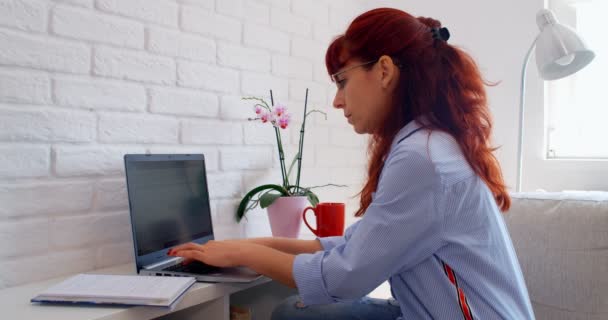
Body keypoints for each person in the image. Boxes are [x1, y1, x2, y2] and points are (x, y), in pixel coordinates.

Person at [168, 7, 535, 320]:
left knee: (291, 313)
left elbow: (343, 279)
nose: (337, 101)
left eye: (342, 81)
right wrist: (242, 244)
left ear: (385, 71)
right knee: (292, 312)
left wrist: (242, 253)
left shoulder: (422, 158)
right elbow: (350, 245)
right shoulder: (429, 143)